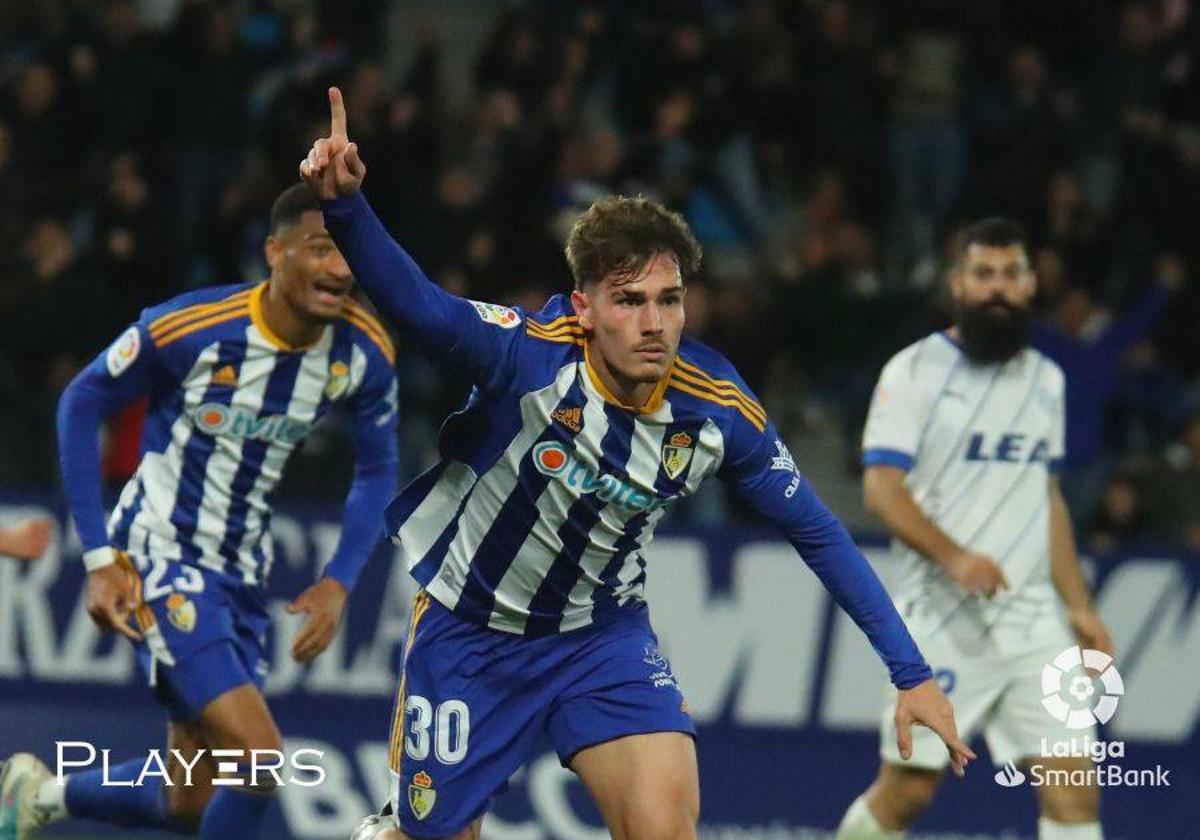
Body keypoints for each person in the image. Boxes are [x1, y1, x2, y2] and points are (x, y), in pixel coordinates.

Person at [299, 86, 972, 840]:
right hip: (470, 635)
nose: (654, 324)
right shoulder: (528, 359)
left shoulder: (717, 410)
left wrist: (911, 674)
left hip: (599, 641)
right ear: (582, 307)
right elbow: (420, 306)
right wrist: (348, 209)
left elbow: (818, 532)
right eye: (628, 301)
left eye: (670, 299)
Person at [0, 185, 399, 840]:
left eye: (349, 252)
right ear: (275, 252)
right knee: (259, 760)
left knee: (189, 805)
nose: (340, 269)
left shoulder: (364, 353)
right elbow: (81, 402)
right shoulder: (193, 328)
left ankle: (38, 794)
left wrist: (341, 578)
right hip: (158, 557)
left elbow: (379, 467)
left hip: (240, 574)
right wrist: (101, 558)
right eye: (321, 249)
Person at [835, 218, 1113, 840]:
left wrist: (1079, 605)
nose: (997, 288)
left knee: (1075, 795)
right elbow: (881, 488)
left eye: (1010, 274)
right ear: (958, 283)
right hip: (943, 617)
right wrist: (955, 556)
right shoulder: (915, 372)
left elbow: (1046, 496)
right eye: (983, 274)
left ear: (1031, 282)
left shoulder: (1046, 379)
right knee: (907, 793)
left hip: (1034, 622)